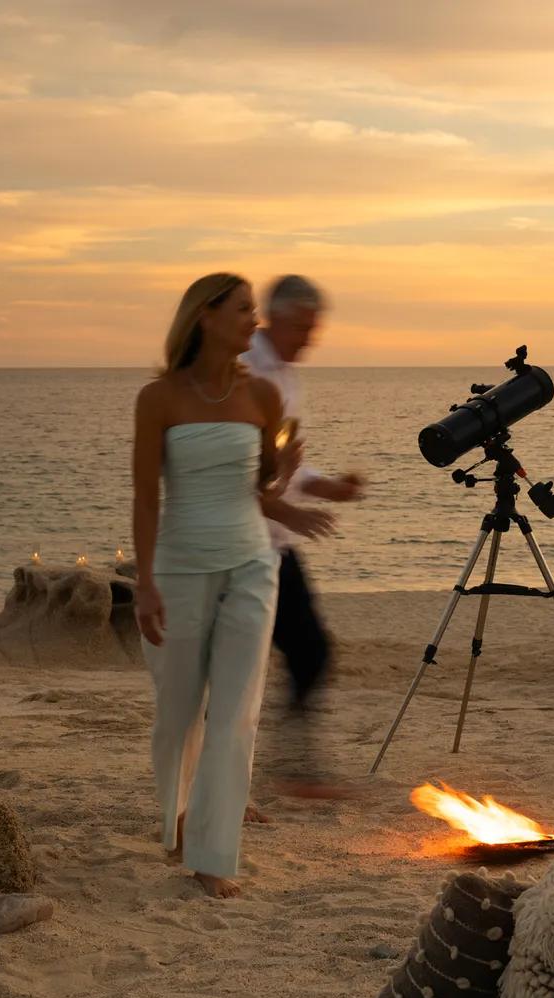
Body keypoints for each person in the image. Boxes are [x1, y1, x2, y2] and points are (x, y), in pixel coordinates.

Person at [131, 273, 333, 898]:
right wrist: (143, 582)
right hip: (181, 565)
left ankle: (214, 853)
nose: (254, 321)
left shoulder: (264, 396)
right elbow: (146, 498)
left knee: (237, 711)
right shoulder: (159, 397)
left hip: (252, 563)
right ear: (206, 316)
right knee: (178, 710)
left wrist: (289, 485)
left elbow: (257, 490)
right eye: (244, 309)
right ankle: (182, 817)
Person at [241, 276, 364, 798]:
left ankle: (289, 768)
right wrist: (288, 512)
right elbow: (238, 461)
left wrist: (326, 487)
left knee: (309, 651)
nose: (310, 340)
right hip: (244, 540)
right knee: (260, 659)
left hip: (273, 540)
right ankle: (276, 771)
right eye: (303, 327)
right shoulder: (246, 367)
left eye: (315, 329)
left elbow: (289, 460)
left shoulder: (287, 376)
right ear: (275, 317)